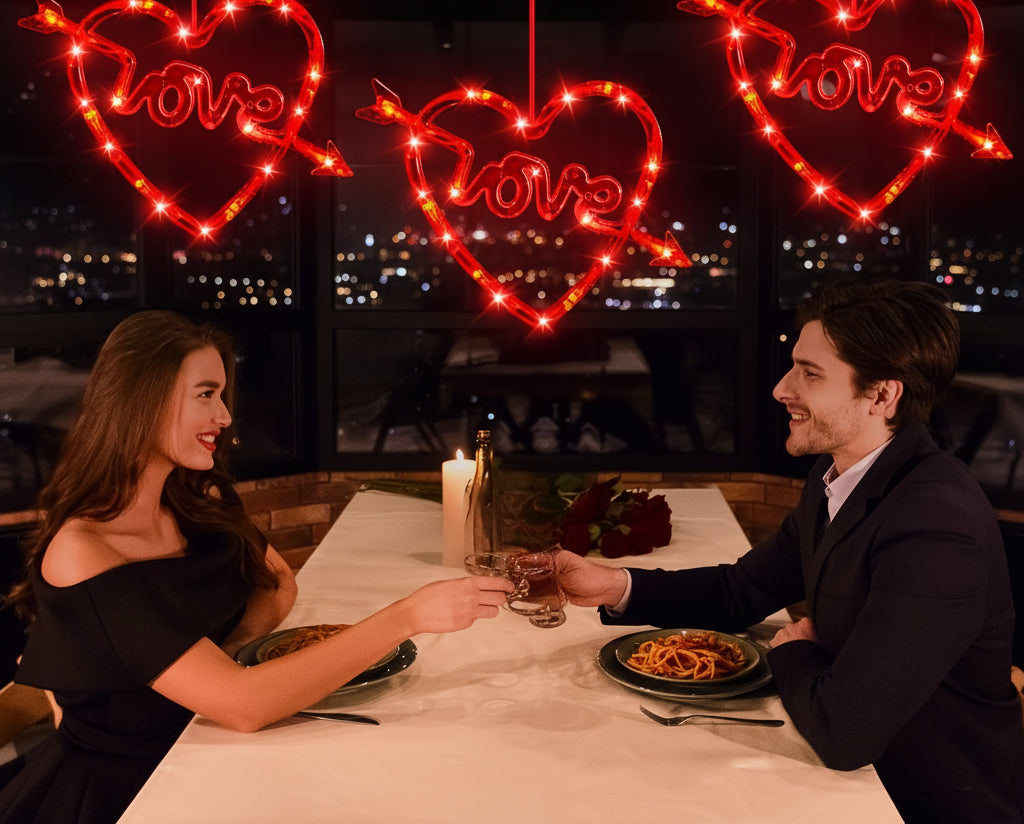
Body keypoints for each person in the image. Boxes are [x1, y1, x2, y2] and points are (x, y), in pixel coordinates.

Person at [0, 311, 512, 824]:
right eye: (205, 394)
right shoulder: (83, 552)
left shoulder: (194, 498)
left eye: (222, 394)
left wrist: (221, 656)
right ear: (142, 400)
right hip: (131, 792)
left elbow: (278, 584)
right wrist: (408, 616)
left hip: (209, 746)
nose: (224, 416)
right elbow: (244, 706)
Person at [556, 279, 1024, 823]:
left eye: (811, 373)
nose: (782, 388)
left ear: (882, 395)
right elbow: (741, 589)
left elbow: (846, 733)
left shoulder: (934, 527)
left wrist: (792, 651)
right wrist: (615, 586)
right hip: (850, 781)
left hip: (915, 801)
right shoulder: (838, 478)